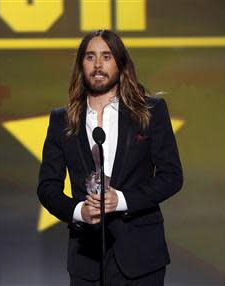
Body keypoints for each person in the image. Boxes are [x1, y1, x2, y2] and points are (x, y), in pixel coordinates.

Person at [37, 30, 183, 285]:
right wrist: (79, 210)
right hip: (88, 259)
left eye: (106, 56)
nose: (98, 65)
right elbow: (47, 187)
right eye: (90, 57)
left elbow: (171, 177)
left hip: (142, 257)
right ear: (81, 65)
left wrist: (122, 200)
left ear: (120, 62)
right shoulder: (61, 120)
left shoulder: (151, 113)